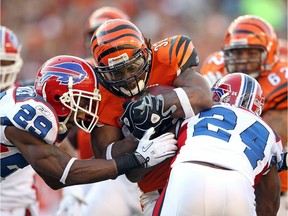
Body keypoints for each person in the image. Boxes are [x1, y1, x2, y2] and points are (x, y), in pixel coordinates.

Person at [0, 54, 178, 191]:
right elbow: (67, 171)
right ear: (60, 99)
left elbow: (54, 179)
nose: (89, 108)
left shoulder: (43, 110)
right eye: (83, 100)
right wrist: (136, 160)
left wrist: (129, 152)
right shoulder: (32, 116)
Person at [89, 18, 212, 215]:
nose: (128, 77)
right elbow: (105, 157)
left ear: (146, 48)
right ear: (103, 73)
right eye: (117, 73)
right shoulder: (101, 95)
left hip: (200, 170)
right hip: (155, 188)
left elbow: (204, 97)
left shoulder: (166, 57)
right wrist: (135, 137)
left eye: (132, 65)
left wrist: (157, 106)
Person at [152, 73, 284, 216]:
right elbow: (268, 206)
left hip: (190, 173)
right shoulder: (269, 132)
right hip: (238, 185)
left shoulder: (194, 112)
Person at [57, 7, 143, 216]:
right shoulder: (84, 74)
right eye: (92, 35)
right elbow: (61, 127)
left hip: (136, 169)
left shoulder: (141, 68)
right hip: (95, 171)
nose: (99, 41)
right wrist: (74, 183)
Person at [200, 15, 288, 210]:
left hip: (274, 181)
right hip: (227, 176)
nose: (243, 61)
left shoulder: (281, 78)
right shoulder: (216, 68)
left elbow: (268, 140)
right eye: (238, 53)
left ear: (271, 52)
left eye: (251, 53)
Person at [0, 25, 41, 216]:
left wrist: (72, 191)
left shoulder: (28, 100)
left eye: (2, 62)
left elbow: (61, 147)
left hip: (19, 206)